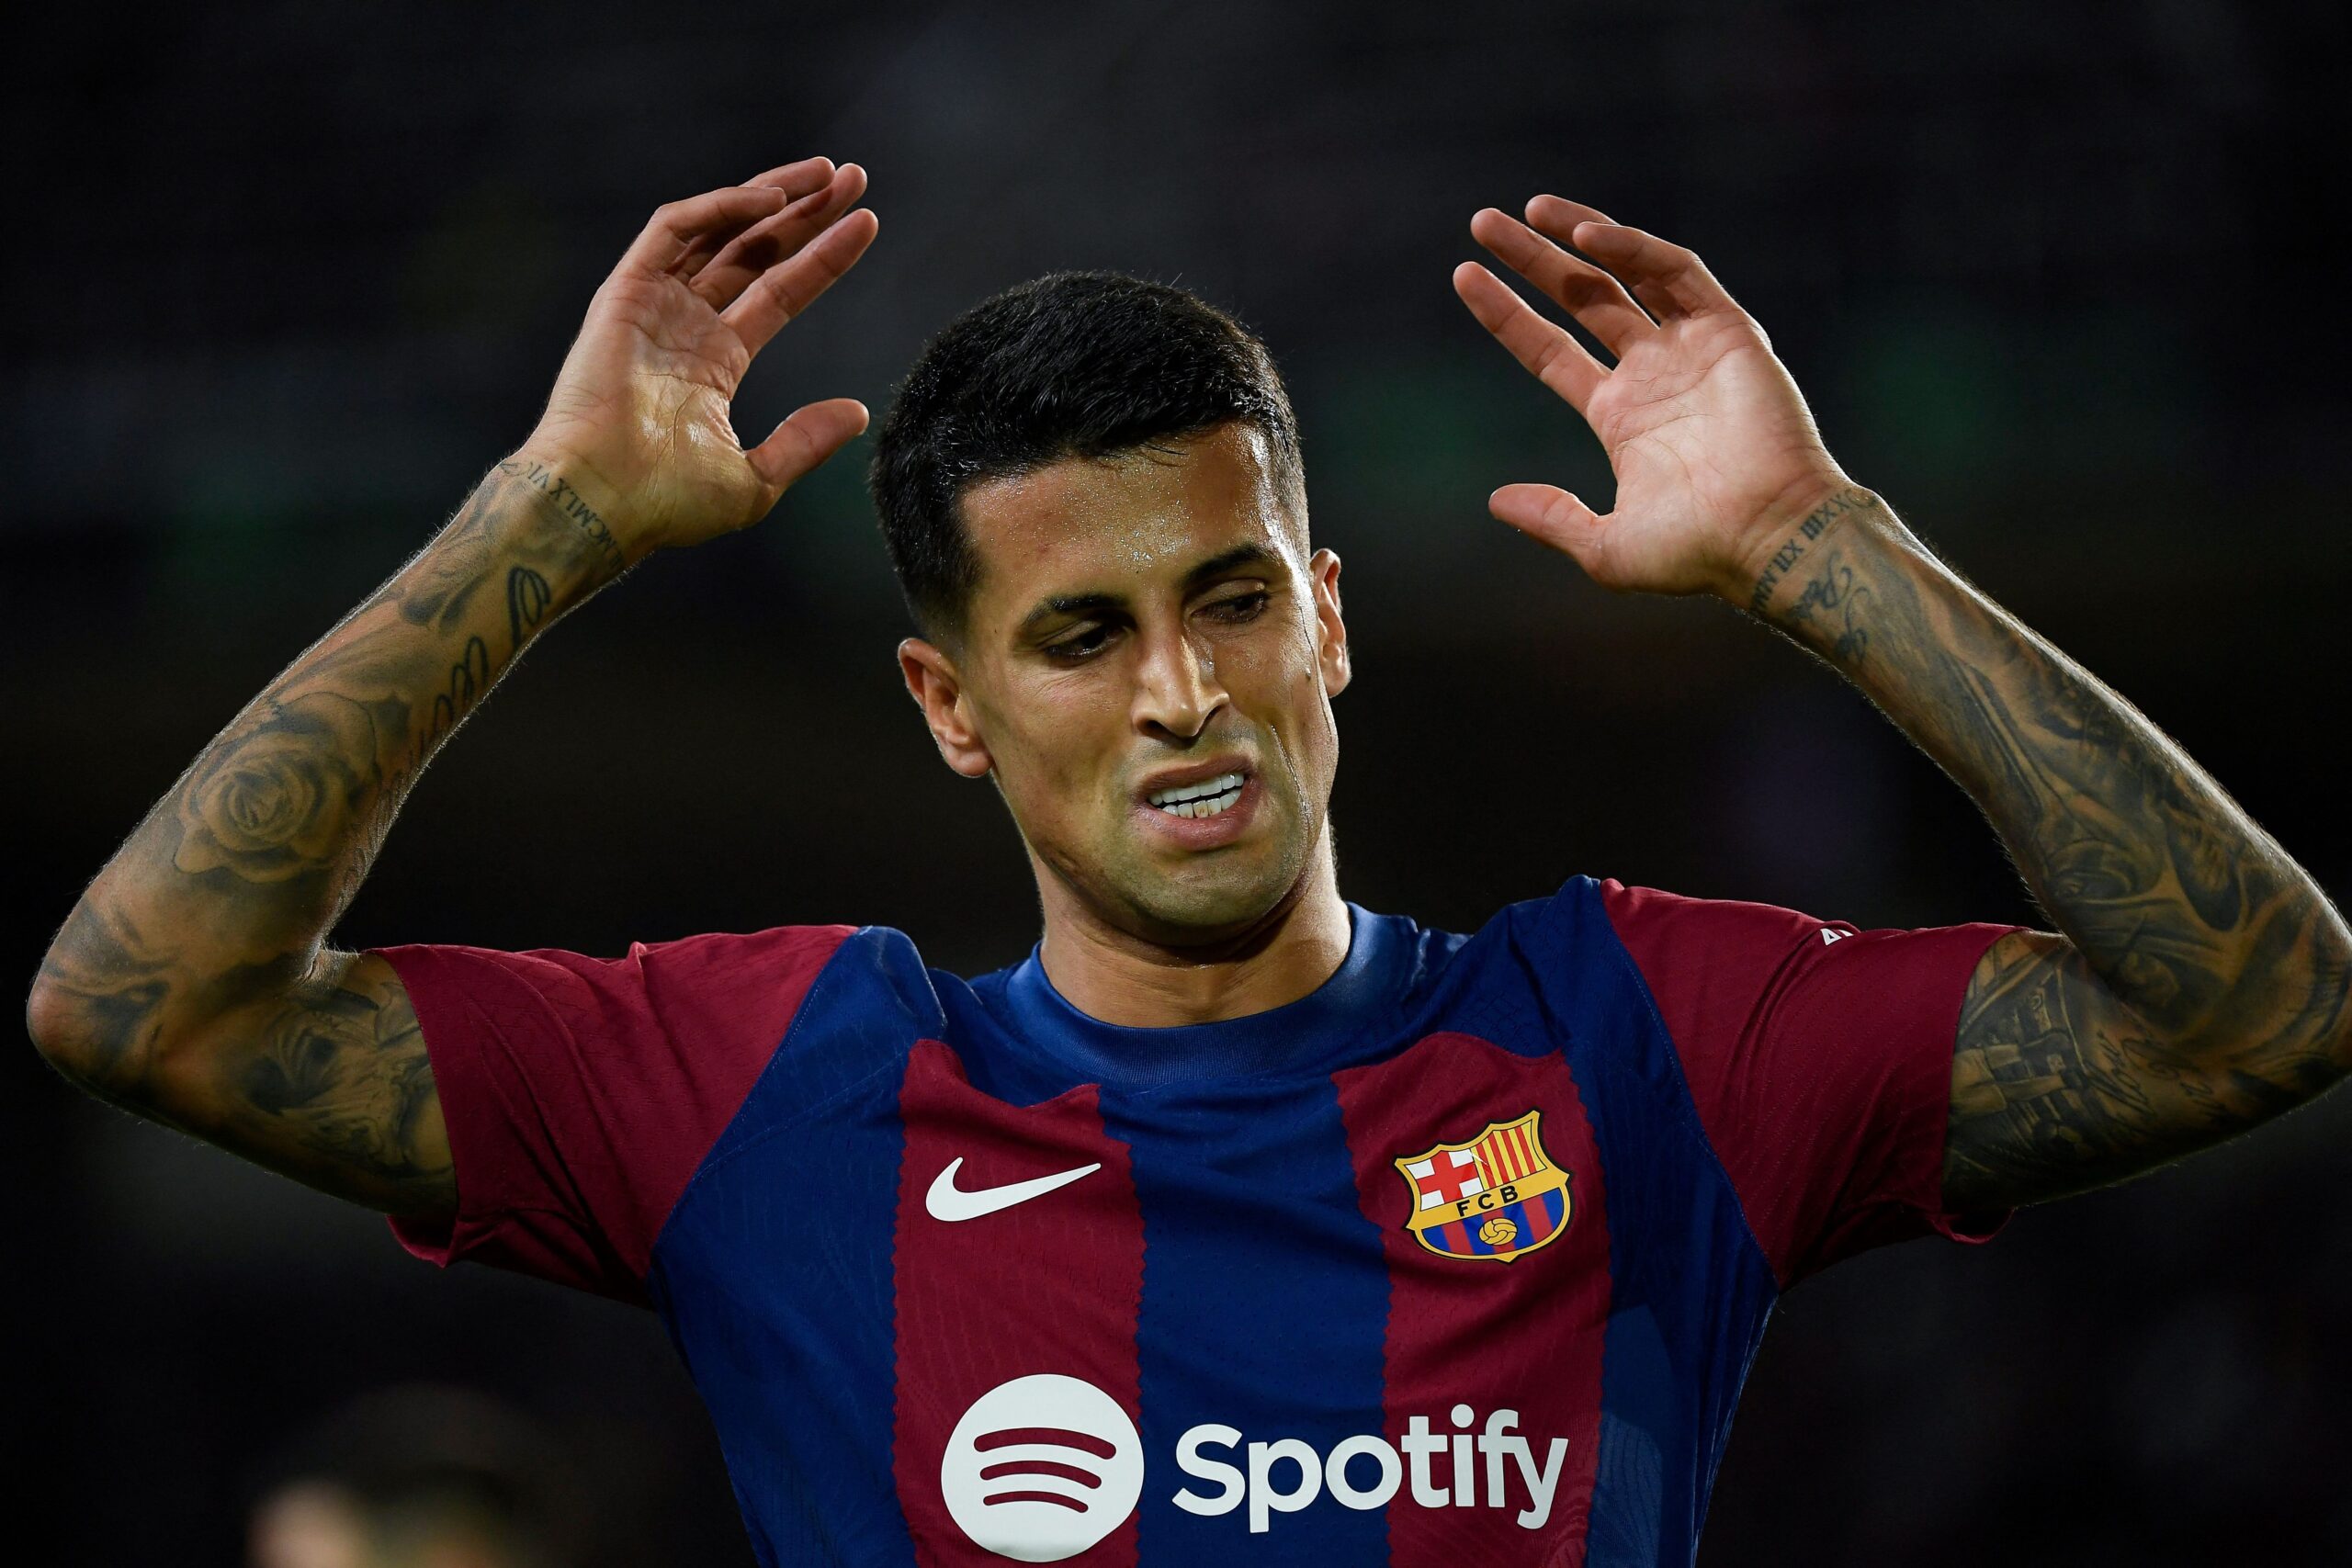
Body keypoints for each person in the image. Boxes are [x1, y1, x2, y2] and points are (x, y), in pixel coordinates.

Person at [27, 152, 2348, 1566]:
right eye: (1077, 632)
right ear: (950, 705)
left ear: (1324, 613)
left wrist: (1818, 547)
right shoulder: (767, 1089)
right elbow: (146, 1002)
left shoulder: (1634, 1044)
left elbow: (2257, 1006)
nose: (1178, 693)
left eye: (1229, 594)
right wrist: (541, 521)